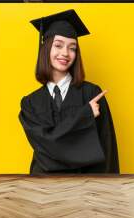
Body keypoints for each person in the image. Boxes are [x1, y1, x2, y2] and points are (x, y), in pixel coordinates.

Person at [19, 9, 119, 175]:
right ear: (46, 48)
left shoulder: (92, 93)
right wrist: (85, 114)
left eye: (72, 48)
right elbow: (48, 145)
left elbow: (107, 149)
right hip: (43, 186)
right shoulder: (30, 102)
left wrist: (104, 189)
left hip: (85, 185)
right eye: (58, 45)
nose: (65, 53)